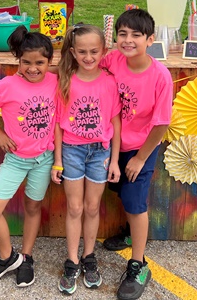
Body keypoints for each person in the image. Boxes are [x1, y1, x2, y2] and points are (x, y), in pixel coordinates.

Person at [0, 26, 58, 288]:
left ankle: (27, 257)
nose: (33, 68)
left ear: (49, 62)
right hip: (15, 159)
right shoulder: (7, 85)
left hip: (44, 159)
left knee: (33, 207)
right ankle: (8, 257)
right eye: (26, 62)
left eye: (40, 63)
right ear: (18, 61)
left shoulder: (55, 82)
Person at [100, 9, 173, 300]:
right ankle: (130, 233)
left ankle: (138, 263)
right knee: (120, 191)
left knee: (134, 202)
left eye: (136, 35)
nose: (128, 40)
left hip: (141, 148)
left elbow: (162, 124)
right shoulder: (112, 60)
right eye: (122, 34)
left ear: (150, 40)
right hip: (111, 143)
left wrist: (141, 157)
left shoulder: (160, 77)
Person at [51, 24, 122, 295]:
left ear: (103, 51)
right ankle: (72, 259)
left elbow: (115, 121)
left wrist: (114, 160)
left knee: (93, 208)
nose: (89, 57)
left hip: (100, 153)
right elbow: (58, 124)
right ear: (73, 52)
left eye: (94, 51)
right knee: (75, 208)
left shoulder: (109, 81)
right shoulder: (66, 80)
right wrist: (58, 160)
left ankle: (89, 256)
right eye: (82, 52)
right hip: (72, 151)